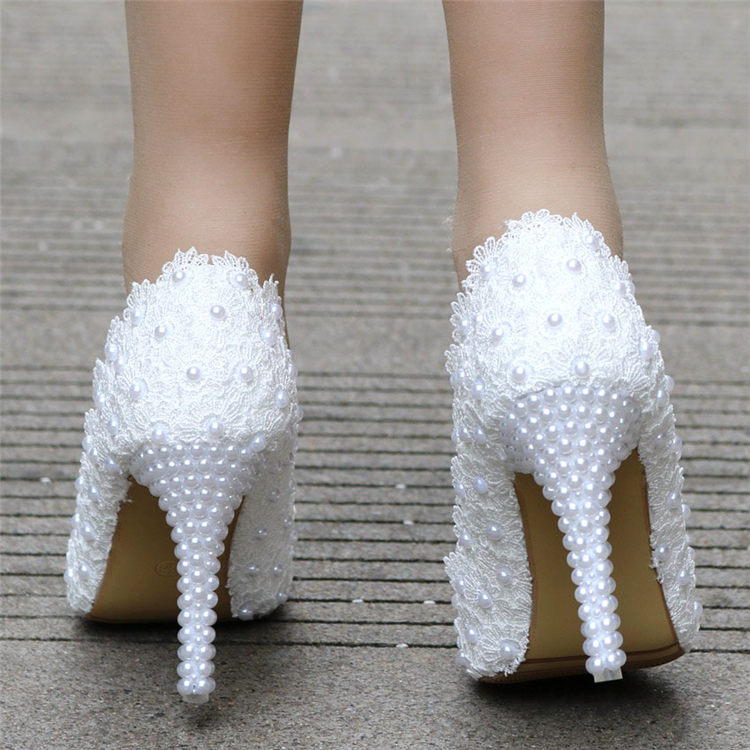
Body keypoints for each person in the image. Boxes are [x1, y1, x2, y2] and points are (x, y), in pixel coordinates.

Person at [64, 0, 700, 703]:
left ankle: (201, 292)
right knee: (536, 151)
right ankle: (547, 260)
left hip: (183, 350)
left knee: (206, 187)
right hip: (570, 327)